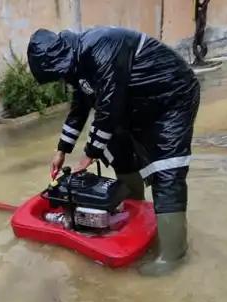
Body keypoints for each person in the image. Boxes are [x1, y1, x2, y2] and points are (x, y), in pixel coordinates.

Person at [27, 27, 200, 276]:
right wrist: (61, 150)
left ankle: (173, 256)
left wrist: (90, 153)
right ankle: (135, 214)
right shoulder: (79, 66)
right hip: (135, 107)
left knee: (166, 170)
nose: (62, 79)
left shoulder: (100, 46)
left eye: (60, 74)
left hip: (171, 100)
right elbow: (80, 109)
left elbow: (109, 105)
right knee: (120, 151)